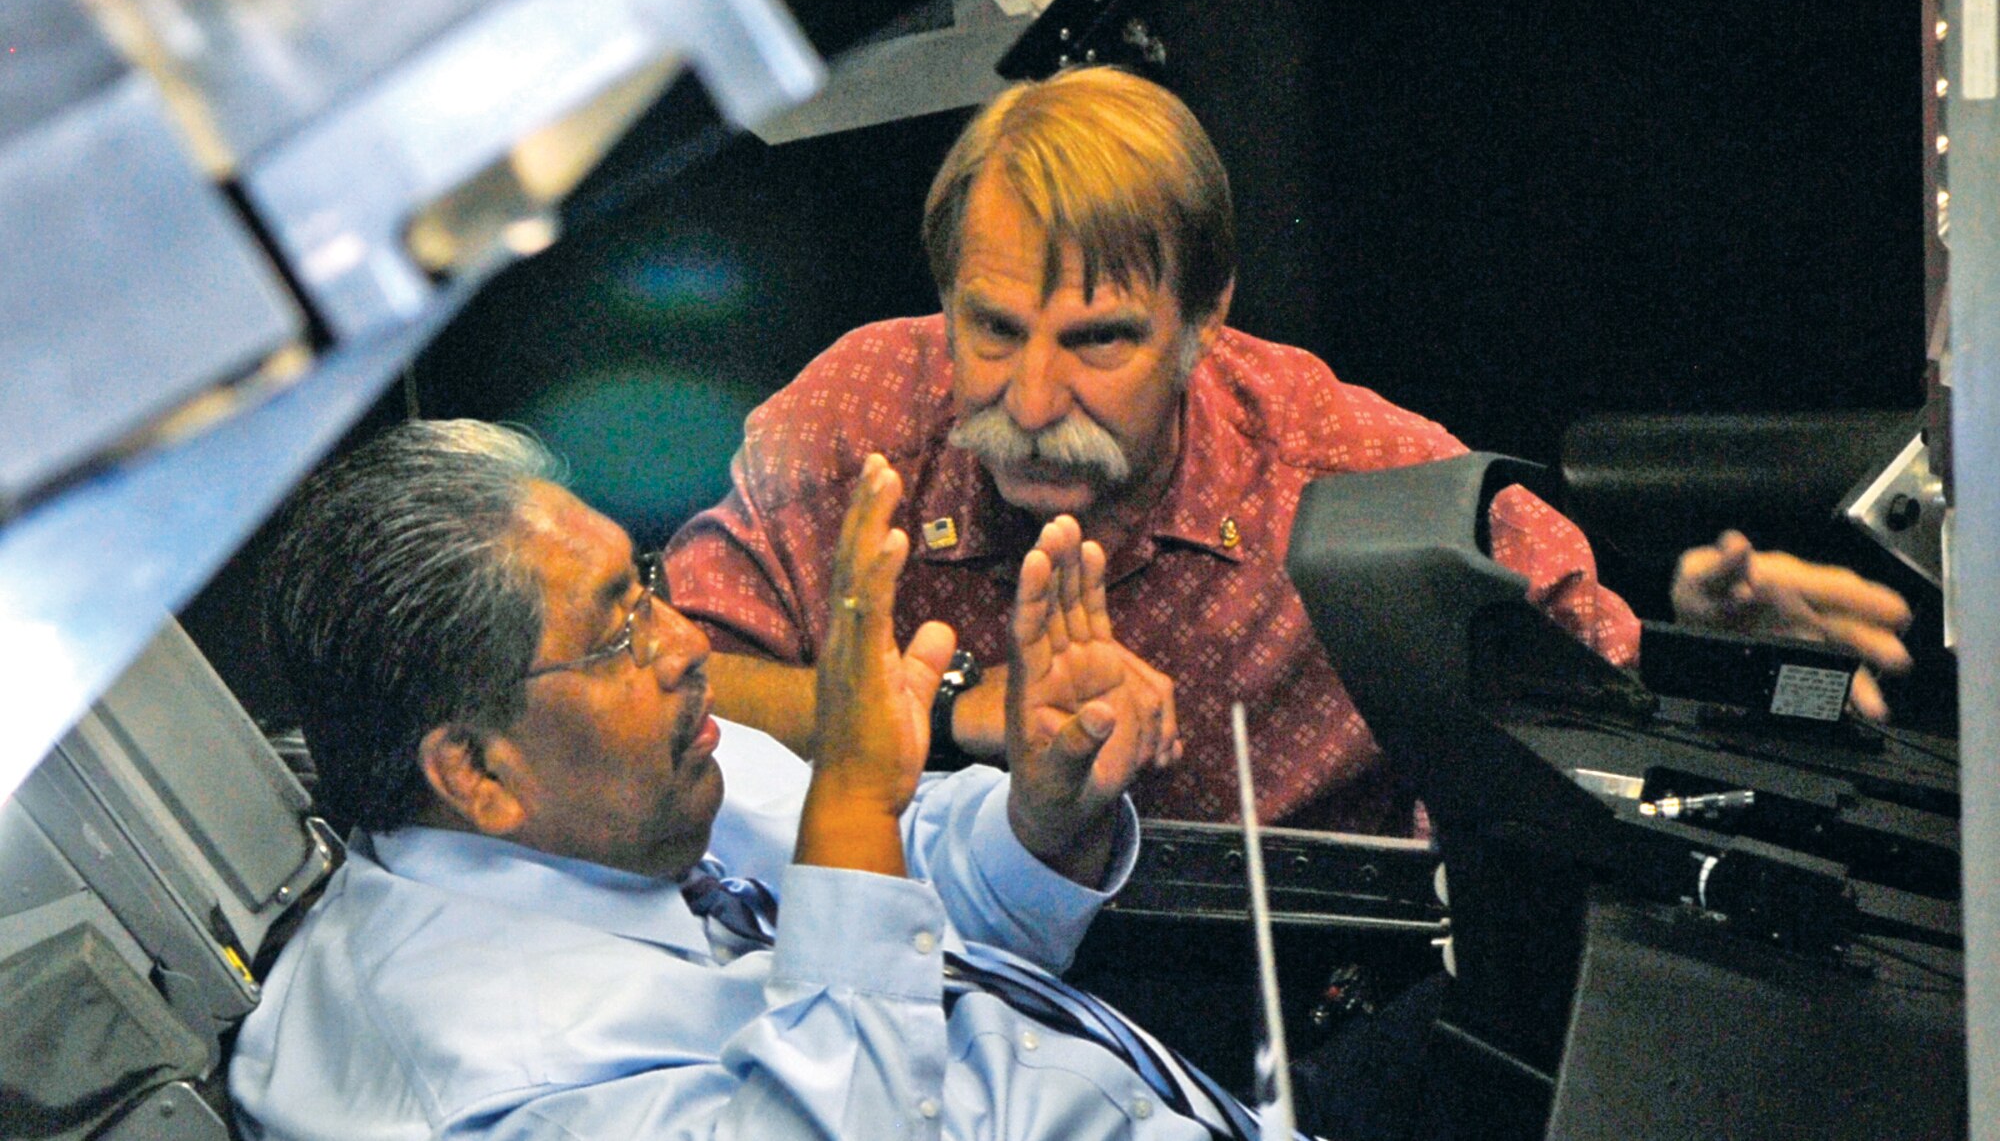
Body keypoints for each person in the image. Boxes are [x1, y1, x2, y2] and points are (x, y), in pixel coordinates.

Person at [664, 65, 1914, 833]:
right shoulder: (858, 411)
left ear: (1205, 319)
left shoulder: (1361, 482)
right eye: (992, 329)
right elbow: (671, 678)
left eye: (1098, 340)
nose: (1030, 398)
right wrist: (950, 713)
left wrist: (1751, 678)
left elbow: (1627, 733)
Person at [229, 419, 1307, 1140]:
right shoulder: (482, 1081)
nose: (684, 642)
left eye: (644, 585)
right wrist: (851, 800)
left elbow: (912, 905)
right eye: (616, 634)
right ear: (475, 771)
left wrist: (1043, 813)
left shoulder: (636, 786)